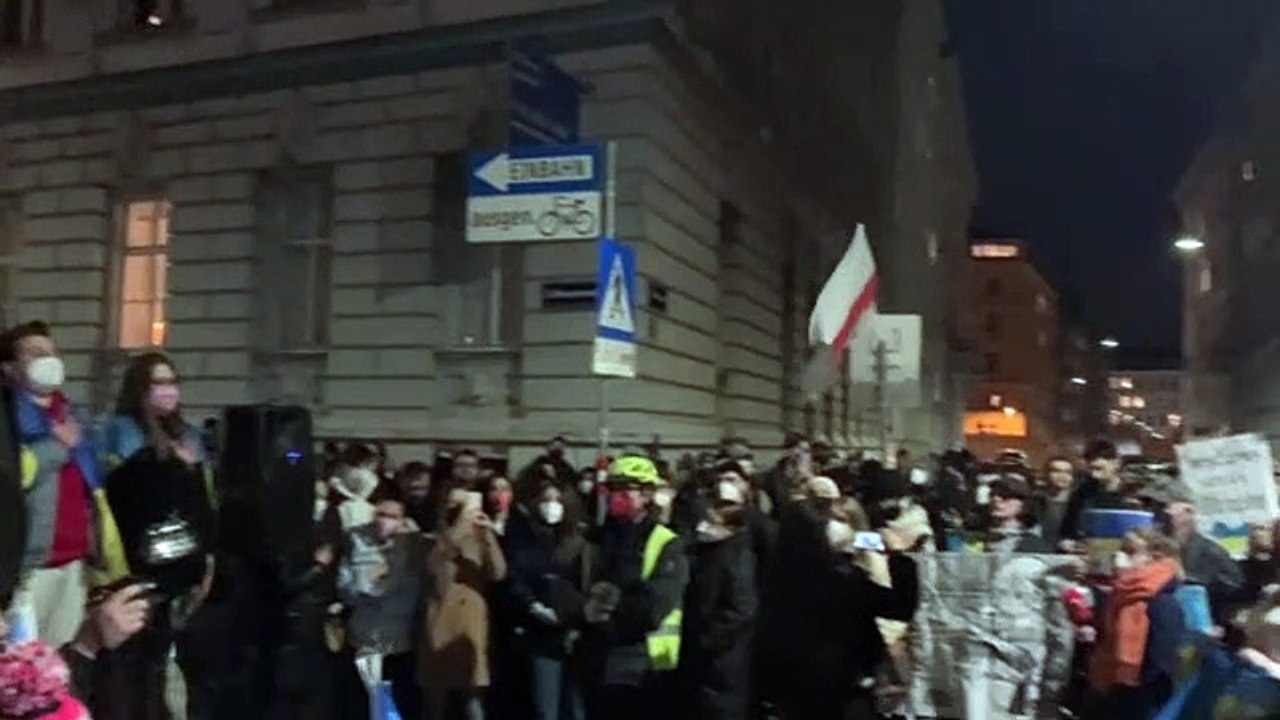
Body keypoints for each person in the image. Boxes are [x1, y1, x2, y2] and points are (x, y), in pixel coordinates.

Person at [100, 352, 217, 720]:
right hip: (139, 563)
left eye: (172, 382)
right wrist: (164, 461)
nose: (168, 391)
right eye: (158, 383)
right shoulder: (122, 430)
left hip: (182, 562)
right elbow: (124, 490)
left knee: (163, 660)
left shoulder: (189, 435)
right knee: (135, 660)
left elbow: (202, 498)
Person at [6, 321, 126, 648]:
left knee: (62, 665)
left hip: (74, 564)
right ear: (11, 368)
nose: (47, 359)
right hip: (30, 568)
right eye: (33, 353)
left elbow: (94, 486)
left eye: (51, 351)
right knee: (20, 667)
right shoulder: (10, 419)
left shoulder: (73, 416)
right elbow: (16, 474)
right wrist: (57, 448)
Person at [580, 455, 689, 720]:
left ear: (647, 494)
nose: (617, 495)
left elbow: (655, 604)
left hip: (644, 662)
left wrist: (608, 615)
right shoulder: (597, 538)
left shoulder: (665, 542)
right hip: (597, 658)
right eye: (613, 488)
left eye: (626, 488)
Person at [336, 483, 425, 719]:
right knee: (365, 704)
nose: (384, 521)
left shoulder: (414, 550)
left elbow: (417, 593)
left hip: (399, 642)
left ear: (403, 520)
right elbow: (345, 587)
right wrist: (365, 587)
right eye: (380, 514)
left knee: (393, 706)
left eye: (392, 516)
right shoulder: (357, 541)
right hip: (365, 638)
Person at [420, 485, 508, 720]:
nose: (461, 511)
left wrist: (487, 535)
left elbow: (498, 573)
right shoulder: (432, 538)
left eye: (464, 505)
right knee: (435, 702)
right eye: (455, 505)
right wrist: (457, 531)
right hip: (439, 624)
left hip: (470, 626)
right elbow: (432, 567)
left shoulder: (478, 538)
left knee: (473, 700)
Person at [503, 479, 588, 720]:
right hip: (540, 633)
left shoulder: (580, 540)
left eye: (557, 501)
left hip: (576, 631)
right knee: (545, 706)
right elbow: (516, 576)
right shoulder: (525, 537)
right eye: (546, 501)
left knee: (576, 706)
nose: (552, 506)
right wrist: (532, 604)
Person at [678, 479, 757, 720]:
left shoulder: (735, 554)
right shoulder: (708, 551)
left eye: (712, 519)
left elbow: (742, 608)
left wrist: (708, 641)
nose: (704, 525)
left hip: (722, 662)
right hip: (705, 658)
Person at [1088, 527, 1186, 718]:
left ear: (1153, 557)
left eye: (1131, 551)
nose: (1121, 556)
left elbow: (1164, 660)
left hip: (1144, 698)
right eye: (1122, 550)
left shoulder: (1161, 600)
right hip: (1115, 692)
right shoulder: (1119, 596)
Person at [1061, 439, 1127, 544]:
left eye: (1099, 468)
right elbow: (1067, 529)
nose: (1094, 475)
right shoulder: (1082, 494)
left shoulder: (1132, 494)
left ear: (1116, 463)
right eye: (1091, 469)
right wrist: (1066, 541)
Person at [986, 475, 1050, 553]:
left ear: (1023, 504)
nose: (996, 499)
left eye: (1006, 496)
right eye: (992, 494)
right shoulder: (976, 533)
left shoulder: (1031, 543)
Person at [330, 443, 381, 533]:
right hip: (338, 507)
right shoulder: (342, 469)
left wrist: (341, 489)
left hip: (358, 509)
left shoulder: (370, 478)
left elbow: (361, 498)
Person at [1039, 456, 1077, 549]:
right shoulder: (1035, 502)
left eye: (1068, 472)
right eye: (1057, 471)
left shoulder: (1079, 503)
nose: (1063, 476)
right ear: (1046, 474)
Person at [395, 461, 434, 533]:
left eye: (424, 488)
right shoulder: (390, 505)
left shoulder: (432, 512)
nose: (418, 494)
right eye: (414, 488)